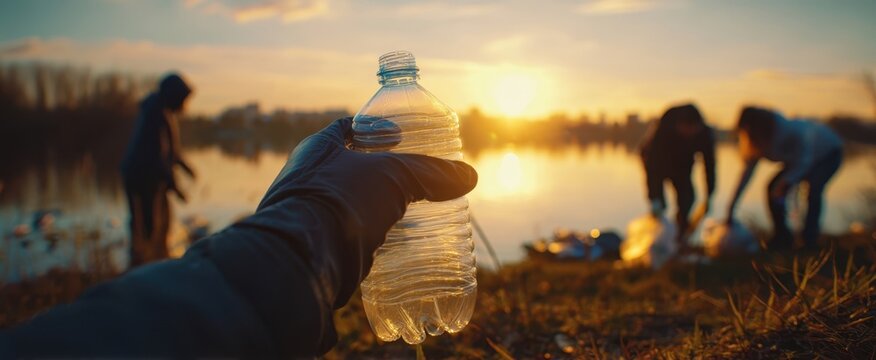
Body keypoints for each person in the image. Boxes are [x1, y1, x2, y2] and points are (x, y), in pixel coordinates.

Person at [0, 118, 478, 358]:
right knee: (146, 227)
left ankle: (144, 253)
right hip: (145, 182)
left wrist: (297, 224)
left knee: (149, 232)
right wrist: (312, 222)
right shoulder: (156, 116)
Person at [726, 106, 843, 250]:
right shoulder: (754, 142)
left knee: (814, 190)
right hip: (799, 159)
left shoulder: (789, 131)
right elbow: (746, 174)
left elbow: (804, 160)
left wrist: (786, 182)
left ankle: (809, 240)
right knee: (772, 188)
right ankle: (782, 237)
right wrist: (731, 208)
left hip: (828, 153)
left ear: (758, 127)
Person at [120, 73, 196, 267]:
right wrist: (176, 188)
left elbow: (171, 152)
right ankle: (147, 266)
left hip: (148, 176)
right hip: (142, 177)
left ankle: (152, 261)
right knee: (149, 224)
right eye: (183, 99)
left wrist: (187, 168)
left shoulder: (162, 111)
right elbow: (158, 158)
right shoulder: (156, 113)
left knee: (158, 222)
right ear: (173, 95)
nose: (185, 105)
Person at [640, 104, 716, 248]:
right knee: (660, 206)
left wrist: (709, 195)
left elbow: (710, 166)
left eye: (692, 130)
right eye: (685, 129)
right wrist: (654, 197)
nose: (688, 133)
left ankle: (679, 238)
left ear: (698, 126)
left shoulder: (705, 135)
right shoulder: (663, 129)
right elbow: (651, 166)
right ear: (678, 125)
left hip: (682, 167)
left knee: (687, 199)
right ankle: (658, 241)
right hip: (657, 163)